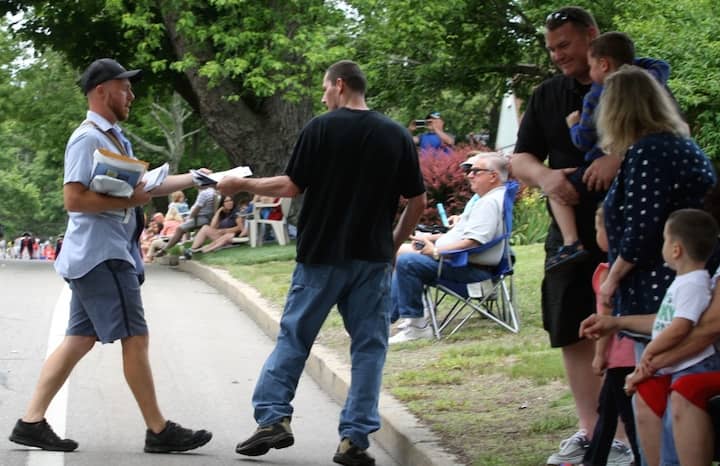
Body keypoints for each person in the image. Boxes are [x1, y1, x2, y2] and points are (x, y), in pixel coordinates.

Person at [217, 59, 426, 466]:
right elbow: (417, 201)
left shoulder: (320, 128)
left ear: (341, 85)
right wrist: (391, 246)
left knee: (295, 337)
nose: (323, 96)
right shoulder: (397, 135)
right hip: (371, 260)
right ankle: (355, 439)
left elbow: (291, 185)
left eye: (325, 89)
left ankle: (273, 418)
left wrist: (241, 183)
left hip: (320, 256)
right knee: (369, 348)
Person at [8, 58, 212, 453]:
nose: (131, 95)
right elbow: (74, 198)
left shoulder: (116, 137)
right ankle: (159, 430)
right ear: (102, 91)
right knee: (135, 337)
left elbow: (146, 186)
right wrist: (131, 198)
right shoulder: (87, 138)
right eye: (125, 87)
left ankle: (30, 422)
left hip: (101, 254)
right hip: (102, 257)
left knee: (79, 339)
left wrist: (199, 178)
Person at [583, 64, 717, 464]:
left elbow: (642, 229)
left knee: (658, 387)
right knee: (650, 395)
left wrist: (612, 281)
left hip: (660, 290)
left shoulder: (648, 151)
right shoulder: (681, 145)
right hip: (681, 282)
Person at [510, 7, 608, 463]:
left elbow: (668, 131)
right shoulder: (548, 94)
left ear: (592, 36)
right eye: (551, 48)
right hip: (568, 237)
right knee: (571, 329)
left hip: (629, 229)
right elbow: (521, 158)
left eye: (564, 45)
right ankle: (589, 430)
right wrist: (546, 179)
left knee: (621, 328)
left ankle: (624, 436)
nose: (557, 56)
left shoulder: (629, 82)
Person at [545, 31, 670, 271]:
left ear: (603, 64)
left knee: (556, 188)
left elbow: (583, 139)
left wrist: (573, 124)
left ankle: (571, 243)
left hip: (598, 167)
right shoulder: (648, 82)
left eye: (592, 66)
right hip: (637, 172)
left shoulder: (595, 94)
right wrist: (630, 63)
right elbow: (661, 65)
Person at [616, 209, 719, 465]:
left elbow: (698, 328)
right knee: (649, 391)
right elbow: (668, 320)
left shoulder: (694, 283)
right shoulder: (689, 281)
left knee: (685, 390)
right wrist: (614, 323)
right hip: (683, 360)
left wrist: (651, 358)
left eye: (664, 240)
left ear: (676, 249)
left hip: (699, 362)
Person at [388, 152, 508, 344]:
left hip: (469, 269)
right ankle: (390, 318)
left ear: (493, 176)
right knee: (401, 254)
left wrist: (436, 252)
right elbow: (465, 235)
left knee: (406, 261)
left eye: (476, 171)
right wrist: (431, 239)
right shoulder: (489, 199)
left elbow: (473, 242)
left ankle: (415, 326)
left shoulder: (489, 203)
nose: (469, 175)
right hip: (461, 262)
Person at [584, 205, 638, 466]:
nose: (597, 233)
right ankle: (594, 458)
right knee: (607, 410)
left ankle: (642, 457)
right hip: (633, 352)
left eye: (598, 228)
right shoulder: (638, 268)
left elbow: (604, 317)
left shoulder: (606, 273)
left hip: (618, 355)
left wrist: (598, 356)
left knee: (627, 415)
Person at [156, 184, 217, 255]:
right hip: (204, 217)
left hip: (201, 218)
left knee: (180, 228)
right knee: (185, 226)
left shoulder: (204, 193)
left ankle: (165, 249)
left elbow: (197, 208)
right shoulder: (212, 191)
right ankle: (185, 243)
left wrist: (189, 217)